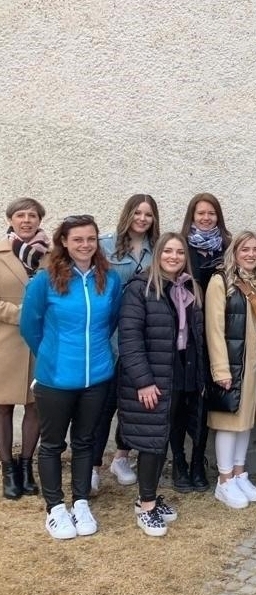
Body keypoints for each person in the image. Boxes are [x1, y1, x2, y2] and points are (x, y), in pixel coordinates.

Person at [20, 214, 122, 539]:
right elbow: (29, 325)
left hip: (97, 377)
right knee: (52, 444)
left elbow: (111, 321)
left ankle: (80, 502)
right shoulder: (44, 280)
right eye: (77, 239)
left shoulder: (110, 279)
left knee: (85, 441)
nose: (85, 245)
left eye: (90, 239)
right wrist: (50, 355)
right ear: (64, 242)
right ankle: (55, 509)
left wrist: (99, 355)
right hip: (55, 378)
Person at [118, 233, 205, 536]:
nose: (173, 256)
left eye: (179, 252)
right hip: (151, 377)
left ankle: (149, 496)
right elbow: (130, 339)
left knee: (162, 436)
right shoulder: (140, 288)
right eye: (167, 251)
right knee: (152, 441)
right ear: (157, 254)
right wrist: (143, 381)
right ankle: (146, 507)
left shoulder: (185, 288)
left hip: (177, 373)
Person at [92, 194, 160, 491]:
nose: (142, 219)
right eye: (138, 212)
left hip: (141, 337)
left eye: (148, 214)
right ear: (128, 214)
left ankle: (121, 457)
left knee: (132, 403)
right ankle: (93, 466)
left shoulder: (157, 250)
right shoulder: (105, 246)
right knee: (103, 406)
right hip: (108, 335)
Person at [206, 231, 256, 511]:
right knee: (229, 422)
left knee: (246, 420)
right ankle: (224, 481)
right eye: (245, 249)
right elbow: (214, 329)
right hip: (232, 364)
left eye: (255, 249)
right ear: (234, 253)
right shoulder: (221, 281)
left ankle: (238, 473)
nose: (251, 254)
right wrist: (221, 369)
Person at [175, 192, 232, 493]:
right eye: (201, 213)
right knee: (179, 401)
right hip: (186, 333)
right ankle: (179, 462)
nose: (206, 218)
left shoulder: (228, 246)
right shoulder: (181, 247)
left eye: (212, 213)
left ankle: (198, 462)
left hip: (217, 333)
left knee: (203, 402)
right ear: (192, 216)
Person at [0, 197, 49, 500]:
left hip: (40, 343)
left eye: (33, 215)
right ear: (11, 219)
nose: (27, 220)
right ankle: (8, 469)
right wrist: (22, 314)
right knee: (2, 407)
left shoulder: (52, 255)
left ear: (40, 220)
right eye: (21, 215)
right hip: (5, 341)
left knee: (36, 405)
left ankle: (27, 466)